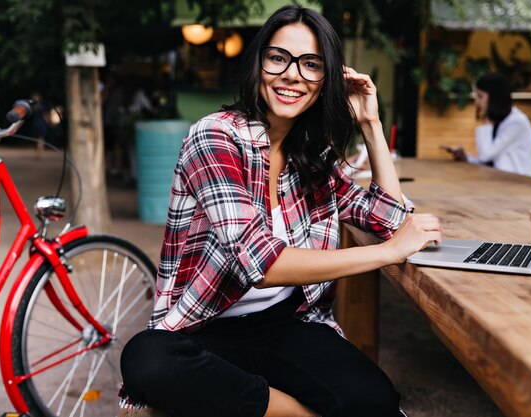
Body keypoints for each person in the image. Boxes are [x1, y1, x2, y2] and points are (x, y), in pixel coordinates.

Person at [119, 5, 442, 417]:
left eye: (311, 65)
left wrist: (371, 125)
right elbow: (262, 262)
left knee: (375, 399)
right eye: (279, 58)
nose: (292, 75)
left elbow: (388, 217)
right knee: (147, 360)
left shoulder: (312, 156)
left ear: (327, 80)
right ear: (259, 65)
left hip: (285, 324)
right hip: (206, 327)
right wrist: (388, 253)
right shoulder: (216, 136)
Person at [443, 73, 531, 177]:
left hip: (523, 186)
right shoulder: (501, 120)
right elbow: (491, 159)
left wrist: (487, 121)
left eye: (480, 96)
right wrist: (467, 158)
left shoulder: (517, 123)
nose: (476, 102)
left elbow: (486, 156)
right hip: (504, 183)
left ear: (494, 98)